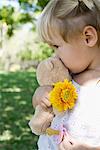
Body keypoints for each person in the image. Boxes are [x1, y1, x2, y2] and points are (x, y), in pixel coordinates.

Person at [35, 0, 100, 149]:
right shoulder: (65, 76)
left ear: (88, 37)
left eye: (57, 46)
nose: (55, 55)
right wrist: (40, 96)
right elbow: (45, 109)